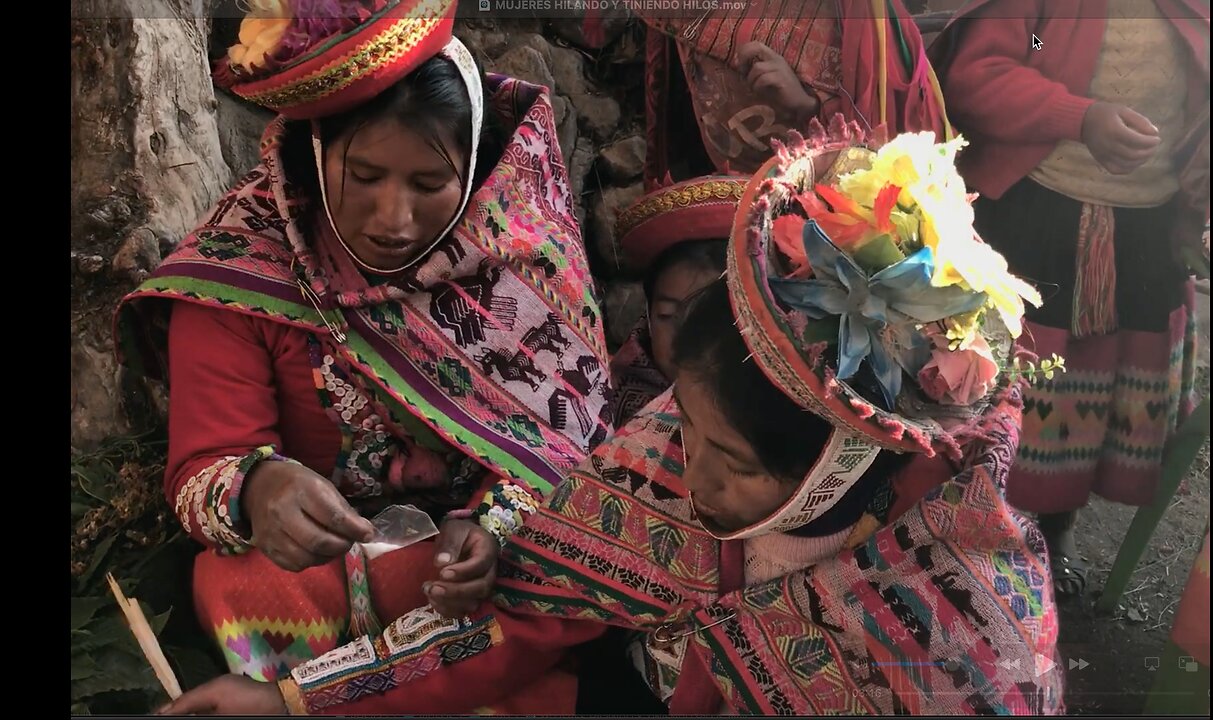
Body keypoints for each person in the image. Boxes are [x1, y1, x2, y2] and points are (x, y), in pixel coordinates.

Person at [161, 119, 1064, 715]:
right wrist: (290, 704)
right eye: (688, 431)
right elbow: (523, 603)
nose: (690, 479)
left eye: (737, 466)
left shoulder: (961, 636)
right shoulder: (661, 471)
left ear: (842, 466)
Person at [118, 0, 612, 712]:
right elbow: (204, 467)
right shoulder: (241, 273)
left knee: (564, 569)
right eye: (367, 175)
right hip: (313, 580)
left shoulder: (514, 263)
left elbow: (570, 453)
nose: (394, 220)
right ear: (317, 156)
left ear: (471, 173)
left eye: (427, 184)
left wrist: (492, 525)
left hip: (467, 584)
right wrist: (259, 490)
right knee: (235, 584)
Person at [930, 0, 1210, 596]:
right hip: (1039, 213)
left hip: (1149, 224)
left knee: (1101, 388)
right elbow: (983, 73)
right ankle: (978, 527)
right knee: (1019, 384)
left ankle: (1056, 530)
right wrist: (1079, 116)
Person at [615, 0, 953, 188]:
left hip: (836, 233)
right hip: (729, 217)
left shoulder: (866, 19)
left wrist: (808, 109)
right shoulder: (676, 16)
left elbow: (908, 149)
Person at [608, 175, 747, 424]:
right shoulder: (601, 403)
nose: (686, 341)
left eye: (708, 317)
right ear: (649, 317)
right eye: (668, 316)